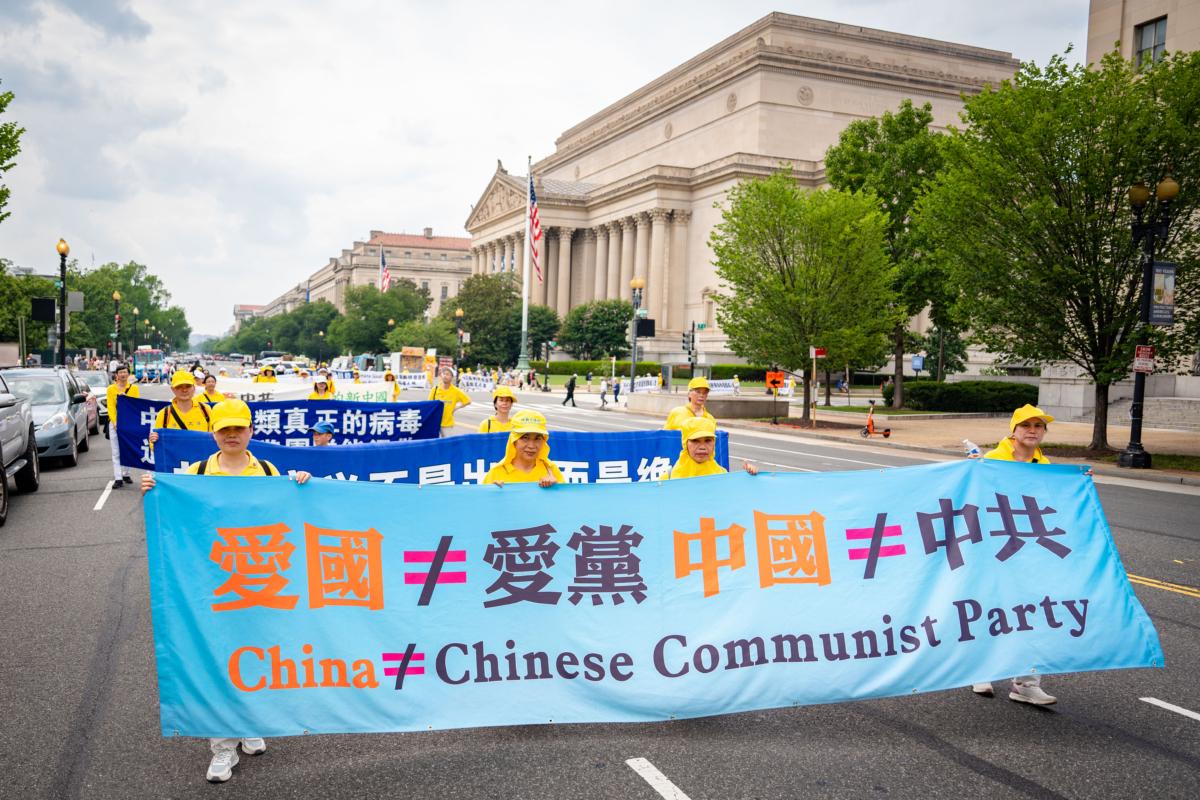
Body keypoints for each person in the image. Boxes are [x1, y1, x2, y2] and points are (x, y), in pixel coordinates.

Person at [141, 399, 311, 783]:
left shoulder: (268, 470)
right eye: (224, 429)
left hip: (260, 583)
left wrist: (299, 485)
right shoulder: (196, 473)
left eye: (238, 428)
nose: (232, 435)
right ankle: (221, 747)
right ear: (212, 433)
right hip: (213, 584)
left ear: (252, 430)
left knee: (256, 656)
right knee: (218, 660)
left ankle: (249, 723)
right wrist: (153, 489)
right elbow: (173, 519)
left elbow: (286, 517)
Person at [969, 403, 1061, 706]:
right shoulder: (993, 459)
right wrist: (973, 468)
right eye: (1027, 426)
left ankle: (1025, 683)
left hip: (1030, 550)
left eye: (1039, 426)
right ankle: (980, 669)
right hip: (995, 548)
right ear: (1014, 430)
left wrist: (1079, 481)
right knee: (994, 609)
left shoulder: (1044, 465)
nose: (1033, 431)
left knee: (1030, 614)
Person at [482, 410, 563, 487]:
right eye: (525, 438)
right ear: (514, 440)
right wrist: (493, 493)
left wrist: (556, 488)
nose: (531, 446)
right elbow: (481, 499)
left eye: (537, 438)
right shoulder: (496, 473)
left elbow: (566, 499)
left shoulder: (551, 470)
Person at [666, 417, 757, 479]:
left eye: (708, 440)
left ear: (714, 442)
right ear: (685, 443)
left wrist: (748, 477)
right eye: (695, 440)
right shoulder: (668, 478)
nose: (702, 447)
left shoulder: (722, 474)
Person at [148, 371, 212, 445]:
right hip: (174, 457)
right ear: (173, 389)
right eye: (179, 386)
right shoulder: (164, 414)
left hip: (203, 456)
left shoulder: (206, 410)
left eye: (188, 386)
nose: (184, 390)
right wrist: (153, 440)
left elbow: (215, 439)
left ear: (194, 388)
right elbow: (156, 447)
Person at [105, 363, 139, 488]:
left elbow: (136, 405)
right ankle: (118, 478)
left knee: (127, 448)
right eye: (120, 373)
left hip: (129, 423)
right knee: (116, 451)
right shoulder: (111, 389)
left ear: (128, 374)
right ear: (116, 375)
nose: (123, 374)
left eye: (125, 372)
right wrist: (114, 422)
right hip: (115, 424)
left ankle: (126, 473)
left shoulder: (134, 389)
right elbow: (111, 407)